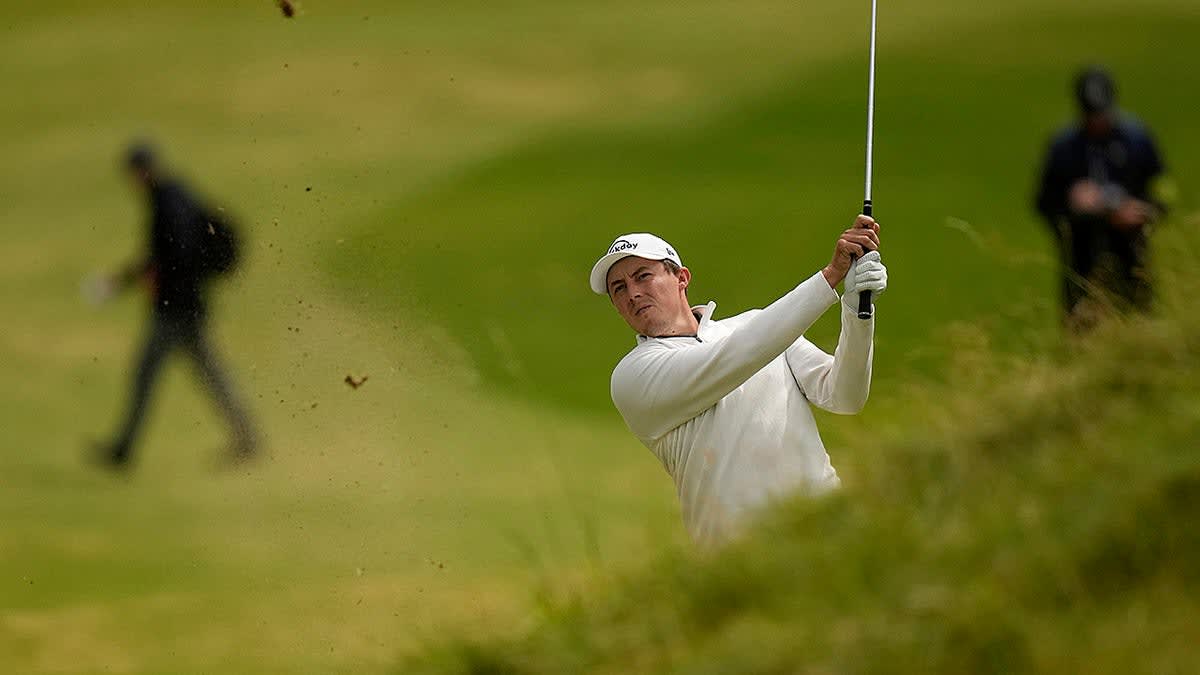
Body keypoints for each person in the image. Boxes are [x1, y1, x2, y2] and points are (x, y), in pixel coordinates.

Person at [590, 219, 887, 546]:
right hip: (740, 557)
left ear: (681, 278)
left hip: (829, 528)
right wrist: (830, 277)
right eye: (619, 288)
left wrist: (857, 310)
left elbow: (845, 396)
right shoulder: (633, 376)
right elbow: (737, 356)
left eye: (643, 276)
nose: (632, 292)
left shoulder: (757, 326)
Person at [91, 142, 257, 469]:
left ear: (141, 171)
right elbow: (163, 257)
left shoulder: (166, 202)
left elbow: (171, 255)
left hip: (176, 308)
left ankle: (123, 450)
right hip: (185, 304)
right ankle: (247, 437)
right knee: (210, 372)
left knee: (147, 375)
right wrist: (130, 279)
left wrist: (137, 280)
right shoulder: (174, 194)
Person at [1035, 66, 1168, 330]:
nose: (1097, 121)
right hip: (1083, 264)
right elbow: (1044, 204)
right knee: (1083, 333)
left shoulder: (1138, 141)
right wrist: (1075, 207)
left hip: (1131, 259)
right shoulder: (1063, 149)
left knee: (1138, 328)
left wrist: (1142, 211)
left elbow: (1164, 195)